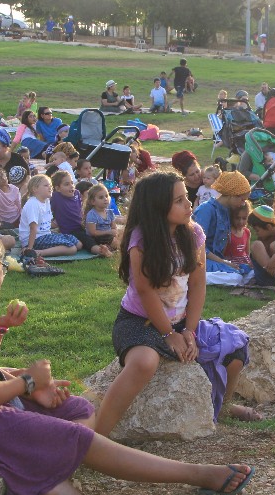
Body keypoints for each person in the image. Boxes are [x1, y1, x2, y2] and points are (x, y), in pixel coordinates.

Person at [0, 231, 255, 495]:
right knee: (76, 435)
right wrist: (28, 381)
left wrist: (2, 337)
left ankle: (49, 479)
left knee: (76, 408)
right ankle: (195, 473)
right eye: (3, 267)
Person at [96, 172, 261, 438]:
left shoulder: (194, 234)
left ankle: (223, 407)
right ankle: (96, 437)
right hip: (140, 321)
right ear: (158, 207)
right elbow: (145, 291)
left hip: (182, 322)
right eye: (180, 200)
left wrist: (189, 331)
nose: (189, 204)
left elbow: (197, 285)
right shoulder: (142, 239)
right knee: (144, 363)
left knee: (235, 349)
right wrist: (168, 334)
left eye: (187, 197)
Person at [192, 171, 251, 274]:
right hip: (200, 260)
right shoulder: (206, 210)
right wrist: (224, 262)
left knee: (245, 270)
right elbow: (197, 246)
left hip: (216, 260)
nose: (242, 204)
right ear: (232, 195)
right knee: (235, 275)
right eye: (242, 200)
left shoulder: (227, 210)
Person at [50, 170, 111, 256]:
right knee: (86, 239)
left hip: (82, 225)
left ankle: (106, 245)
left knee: (96, 232)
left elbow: (80, 210)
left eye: (72, 183)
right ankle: (99, 250)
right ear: (58, 188)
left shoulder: (77, 193)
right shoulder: (56, 197)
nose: (71, 186)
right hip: (71, 230)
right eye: (66, 184)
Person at [19, 175, 82, 257]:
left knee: (78, 244)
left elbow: (47, 223)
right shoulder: (33, 204)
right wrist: (29, 248)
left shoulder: (46, 201)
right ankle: (36, 252)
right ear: (35, 189)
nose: (50, 188)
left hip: (45, 235)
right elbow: (33, 228)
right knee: (72, 249)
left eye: (50, 185)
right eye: (46, 185)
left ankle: (38, 250)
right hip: (34, 240)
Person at [247, 205, 275, 287]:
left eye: (257, 230)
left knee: (257, 245)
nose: (256, 233)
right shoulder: (263, 238)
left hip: (272, 276)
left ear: (268, 227)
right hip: (268, 278)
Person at [84, 183, 120, 252]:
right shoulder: (92, 214)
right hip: (96, 237)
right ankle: (106, 249)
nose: (105, 199)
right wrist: (109, 232)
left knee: (122, 234)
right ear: (93, 201)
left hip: (108, 236)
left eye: (106, 196)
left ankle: (109, 248)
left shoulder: (110, 213)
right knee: (113, 241)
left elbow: (114, 227)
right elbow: (93, 232)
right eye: (101, 197)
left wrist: (114, 231)